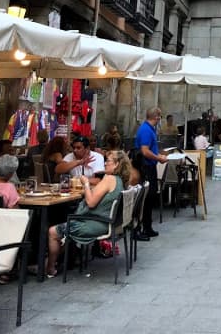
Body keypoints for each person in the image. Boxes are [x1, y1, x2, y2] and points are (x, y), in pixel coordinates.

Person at [44, 150, 131, 277]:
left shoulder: (109, 179)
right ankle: (57, 261)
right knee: (64, 227)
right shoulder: (119, 180)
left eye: (108, 161)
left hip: (96, 224)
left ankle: (50, 268)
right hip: (108, 223)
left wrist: (85, 183)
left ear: (117, 164)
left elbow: (90, 203)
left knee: (52, 232)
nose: (105, 164)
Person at [135, 107, 168, 240]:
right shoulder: (145, 130)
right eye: (159, 117)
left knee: (150, 197)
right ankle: (141, 228)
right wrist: (158, 158)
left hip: (150, 166)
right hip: (145, 167)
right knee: (146, 197)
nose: (160, 119)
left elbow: (150, 149)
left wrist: (158, 155)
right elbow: (144, 151)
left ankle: (147, 227)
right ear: (156, 117)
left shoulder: (150, 129)